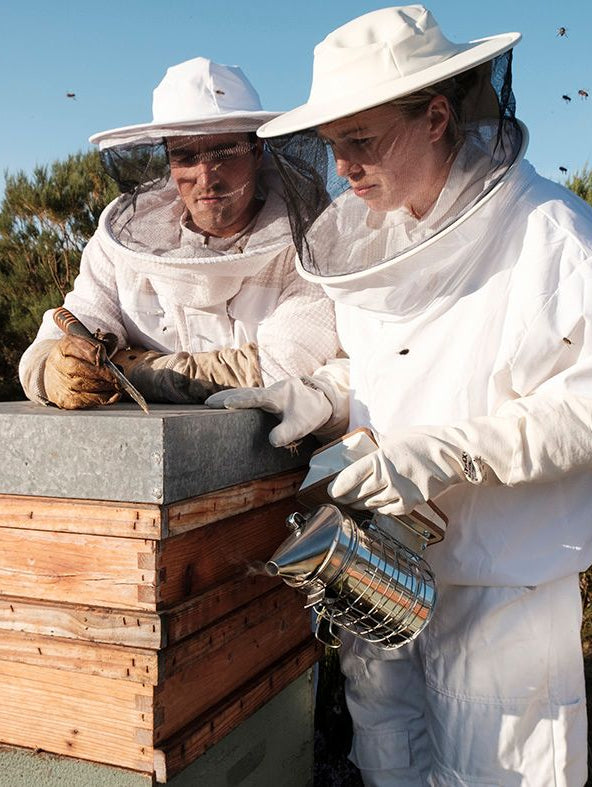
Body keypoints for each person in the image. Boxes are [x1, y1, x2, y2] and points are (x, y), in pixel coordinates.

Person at [207, 7, 592, 785]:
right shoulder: (373, 235)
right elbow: (381, 367)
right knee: (387, 751)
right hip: (378, 569)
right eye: (333, 144)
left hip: (501, 585)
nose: (343, 167)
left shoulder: (551, 234)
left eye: (362, 140)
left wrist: (445, 452)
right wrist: (314, 395)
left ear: (437, 117)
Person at [19, 57, 339, 408]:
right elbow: (62, 333)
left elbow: (283, 366)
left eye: (225, 151)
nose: (206, 178)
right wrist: (50, 367)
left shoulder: (312, 241)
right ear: (168, 161)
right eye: (185, 157)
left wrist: (132, 367)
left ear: (257, 150)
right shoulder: (121, 245)